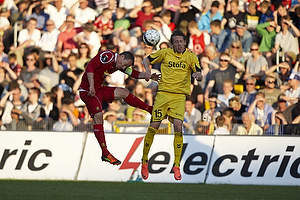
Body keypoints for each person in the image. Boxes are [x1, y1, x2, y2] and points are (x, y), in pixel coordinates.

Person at [140, 29, 202, 181]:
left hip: (179, 97)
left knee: (179, 126)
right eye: (176, 42)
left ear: (185, 42)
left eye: (181, 42)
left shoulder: (191, 56)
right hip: (163, 94)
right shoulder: (165, 53)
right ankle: (144, 161)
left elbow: (199, 72)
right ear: (172, 44)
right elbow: (145, 60)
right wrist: (147, 70)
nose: (179, 44)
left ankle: (176, 165)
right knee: (154, 126)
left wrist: (197, 76)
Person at [79, 50, 159, 166]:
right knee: (99, 116)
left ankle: (149, 109)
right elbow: (90, 67)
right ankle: (105, 152)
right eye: (124, 64)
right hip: (88, 91)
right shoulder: (108, 56)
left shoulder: (118, 64)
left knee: (124, 92)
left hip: (98, 89)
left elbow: (134, 74)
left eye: (126, 66)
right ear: (121, 57)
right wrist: (91, 85)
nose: (124, 67)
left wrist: (149, 76)